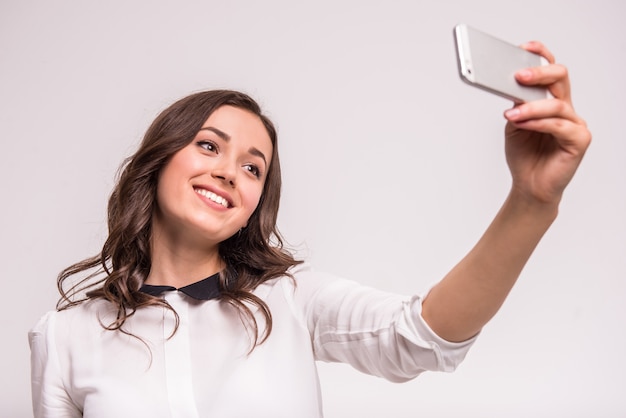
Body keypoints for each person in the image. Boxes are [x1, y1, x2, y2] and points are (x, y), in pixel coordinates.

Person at [29, 41, 591, 418]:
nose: (229, 171)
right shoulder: (64, 335)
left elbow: (422, 339)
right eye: (208, 145)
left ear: (254, 203)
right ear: (158, 161)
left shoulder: (293, 301)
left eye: (253, 167)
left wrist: (532, 200)